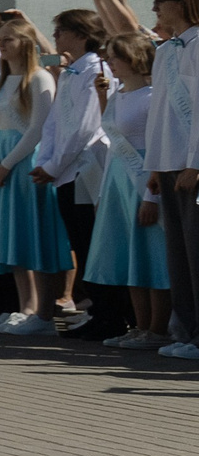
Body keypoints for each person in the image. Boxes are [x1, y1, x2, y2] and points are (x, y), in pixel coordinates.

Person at [0, 19, 68, 335]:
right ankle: (24, 307)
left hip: (25, 161)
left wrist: (7, 164)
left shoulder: (40, 78)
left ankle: (41, 314)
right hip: (1, 160)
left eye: (9, 39)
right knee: (11, 236)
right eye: (0, 39)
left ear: (26, 43)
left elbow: (38, 129)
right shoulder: (0, 81)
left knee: (32, 234)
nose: (2, 44)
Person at [79, 33, 168, 348]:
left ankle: (157, 329)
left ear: (132, 58)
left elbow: (159, 147)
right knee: (131, 256)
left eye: (114, 56)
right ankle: (139, 326)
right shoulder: (118, 94)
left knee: (153, 256)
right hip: (118, 180)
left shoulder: (153, 95)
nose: (109, 62)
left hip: (142, 180)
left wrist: (151, 196)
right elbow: (113, 134)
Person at [33, 8, 118, 340]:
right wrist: (47, 161)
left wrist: (54, 165)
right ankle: (100, 311)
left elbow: (85, 128)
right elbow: (54, 123)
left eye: (61, 32)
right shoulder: (70, 72)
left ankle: (111, 315)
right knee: (81, 244)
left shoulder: (97, 69)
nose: (56, 38)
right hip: (67, 171)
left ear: (82, 34)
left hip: (87, 170)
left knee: (93, 242)